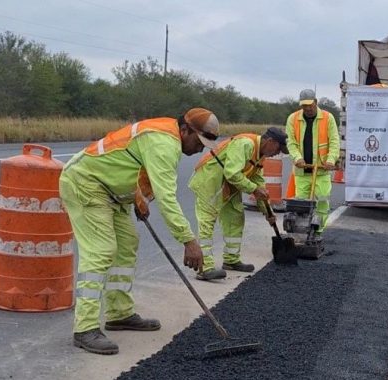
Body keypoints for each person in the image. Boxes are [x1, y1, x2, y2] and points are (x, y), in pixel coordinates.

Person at [59, 107, 219, 355]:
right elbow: (167, 198)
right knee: (101, 251)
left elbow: (127, 162)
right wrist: (189, 241)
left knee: (127, 245)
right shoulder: (163, 142)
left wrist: (137, 198)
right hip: (87, 182)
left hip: (113, 190)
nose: (199, 149)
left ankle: (119, 313)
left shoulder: (167, 137)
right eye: (199, 142)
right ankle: (85, 328)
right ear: (185, 130)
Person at [188, 127, 288, 280]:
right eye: (278, 148)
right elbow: (232, 173)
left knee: (236, 217)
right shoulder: (245, 144)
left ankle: (231, 260)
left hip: (229, 185)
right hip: (210, 180)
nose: (278, 153)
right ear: (270, 141)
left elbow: (259, 185)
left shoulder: (260, 155)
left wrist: (268, 213)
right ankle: (204, 268)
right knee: (207, 222)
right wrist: (254, 189)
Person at [285, 89, 340, 240]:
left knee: (322, 202)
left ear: (316, 102)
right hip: (302, 171)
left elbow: (334, 141)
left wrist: (330, 160)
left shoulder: (328, 118)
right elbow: (291, 142)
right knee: (300, 204)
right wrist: (297, 158)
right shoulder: (293, 118)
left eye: (310, 105)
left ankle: (317, 232)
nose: (307, 109)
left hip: (321, 171)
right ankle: (300, 234)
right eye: (304, 106)